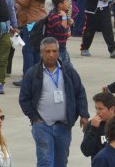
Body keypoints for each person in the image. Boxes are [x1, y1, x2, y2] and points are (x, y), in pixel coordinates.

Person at [18, 37, 88, 167]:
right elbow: (24, 99)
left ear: (58, 52)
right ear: (41, 53)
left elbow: (80, 93)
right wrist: (35, 118)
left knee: (61, 162)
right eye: (47, 51)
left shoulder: (68, 71)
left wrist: (84, 114)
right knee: (45, 162)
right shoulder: (32, 73)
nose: (51, 54)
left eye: (54, 51)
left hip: (64, 125)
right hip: (42, 126)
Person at [79, 91, 115, 159]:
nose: (97, 112)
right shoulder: (93, 124)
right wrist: (93, 129)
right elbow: (86, 151)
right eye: (96, 108)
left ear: (112, 109)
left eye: (100, 109)